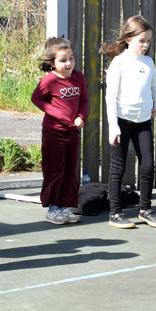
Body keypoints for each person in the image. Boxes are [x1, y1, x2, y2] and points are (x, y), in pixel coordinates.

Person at [102, 15, 156, 229]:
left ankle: (145, 209)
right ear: (128, 39)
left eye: (148, 41)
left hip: (143, 122)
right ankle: (115, 213)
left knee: (148, 165)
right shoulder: (119, 61)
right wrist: (113, 127)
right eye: (141, 40)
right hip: (122, 122)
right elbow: (110, 97)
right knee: (118, 168)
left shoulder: (148, 62)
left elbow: (155, 84)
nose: (145, 45)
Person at [31, 37, 89, 224]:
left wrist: (80, 116)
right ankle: (53, 209)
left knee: (70, 171)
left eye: (71, 58)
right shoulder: (49, 81)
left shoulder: (79, 77)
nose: (68, 63)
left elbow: (84, 100)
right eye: (63, 60)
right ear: (52, 63)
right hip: (53, 133)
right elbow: (37, 99)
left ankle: (65, 208)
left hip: (72, 133)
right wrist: (60, 116)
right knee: (54, 171)